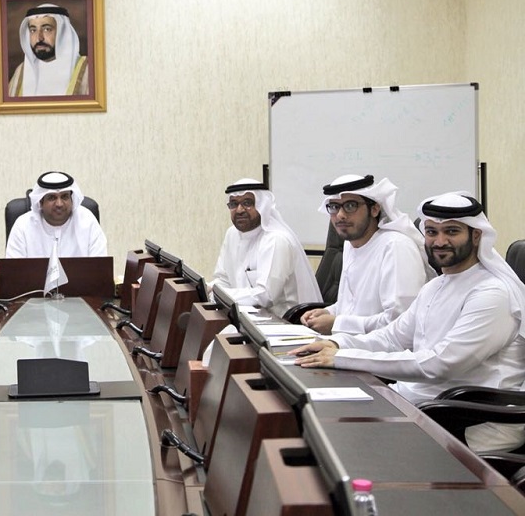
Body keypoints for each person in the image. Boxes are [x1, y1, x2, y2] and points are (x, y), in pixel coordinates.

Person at [293, 192, 525, 452]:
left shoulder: (492, 293)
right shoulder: (436, 286)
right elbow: (393, 337)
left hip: (472, 419)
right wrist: (337, 344)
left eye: (451, 231)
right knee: (314, 416)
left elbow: (440, 364)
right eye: (432, 232)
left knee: (347, 443)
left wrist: (342, 358)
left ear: (476, 236)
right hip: (423, 403)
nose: (440, 241)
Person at [301, 174, 436, 335]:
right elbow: (352, 305)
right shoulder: (350, 244)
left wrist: (337, 323)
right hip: (345, 343)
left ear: (374, 209)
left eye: (350, 206)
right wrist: (328, 312)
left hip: (380, 349)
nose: (340, 215)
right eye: (334, 206)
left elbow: (399, 322)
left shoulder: (396, 247)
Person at [210, 178, 322, 317]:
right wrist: (210, 290)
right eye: (233, 204)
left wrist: (219, 294)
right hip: (248, 315)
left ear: (262, 205)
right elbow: (222, 279)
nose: (239, 210)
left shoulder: (276, 240)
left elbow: (266, 296)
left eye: (247, 203)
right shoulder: (232, 234)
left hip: (284, 320)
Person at [6, 171, 107, 259]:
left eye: (65, 196)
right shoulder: (23, 226)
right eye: (52, 198)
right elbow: (13, 271)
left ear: (72, 199)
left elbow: (100, 267)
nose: (59, 204)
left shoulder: (88, 221)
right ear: (41, 202)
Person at [7, 4, 90, 97]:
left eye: (47, 29)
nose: (39, 38)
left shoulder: (87, 69)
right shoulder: (21, 71)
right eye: (33, 30)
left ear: (62, 33)